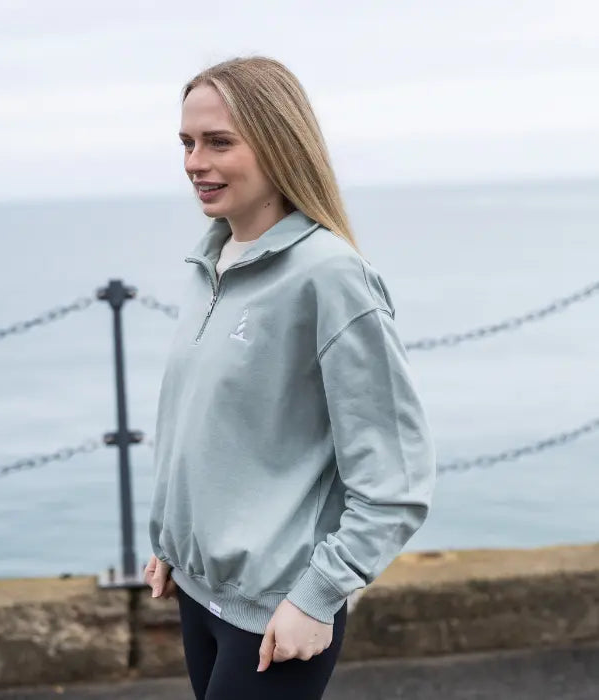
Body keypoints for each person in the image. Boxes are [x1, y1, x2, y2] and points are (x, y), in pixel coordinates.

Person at [144, 55, 437, 700]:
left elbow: (396, 480)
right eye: (187, 143)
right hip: (197, 594)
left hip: (279, 613)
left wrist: (319, 595)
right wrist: (174, 541)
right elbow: (215, 428)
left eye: (219, 142)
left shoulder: (330, 277)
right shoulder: (211, 264)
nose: (195, 162)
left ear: (278, 145)